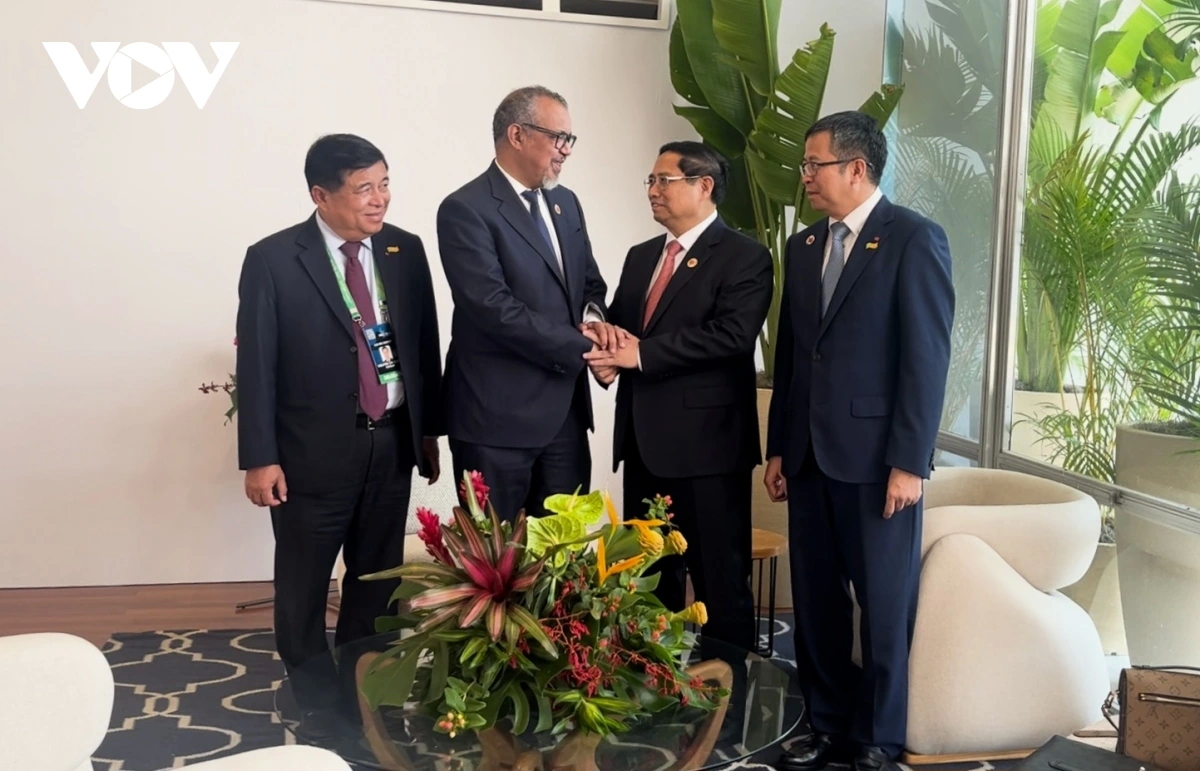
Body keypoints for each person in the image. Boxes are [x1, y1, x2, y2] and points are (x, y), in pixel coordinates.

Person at [764, 112, 954, 771]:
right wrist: (779, 447)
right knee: (816, 603)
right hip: (808, 457)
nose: (806, 177)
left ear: (857, 168)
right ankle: (825, 723)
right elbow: (793, 357)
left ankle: (877, 736)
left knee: (883, 605)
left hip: (878, 463)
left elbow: (926, 360)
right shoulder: (804, 246)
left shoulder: (913, 238)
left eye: (814, 164)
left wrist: (910, 460)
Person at [236, 133, 444, 676]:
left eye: (385, 184)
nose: (380, 199)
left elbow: (423, 346)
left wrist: (427, 431)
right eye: (363, 188)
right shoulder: (273, 260)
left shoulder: (404, 249)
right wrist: (260, 458)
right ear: (320, 195)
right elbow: (256, 365)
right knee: (303, 588)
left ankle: (365, 693)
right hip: (310, 455)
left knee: (377, 582)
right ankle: (315, 704)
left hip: (390, 445)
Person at [584, 141, 772, 652]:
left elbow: (732, 336)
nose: (653, 190)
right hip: (643, 447)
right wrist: (604, 349)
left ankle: (729, 695)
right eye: (650, 181)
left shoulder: (745, 256)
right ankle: (650, 688)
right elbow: (624, 330)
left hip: (708, 453)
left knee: (720, 587)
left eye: (663, 180)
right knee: (646, 584)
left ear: (703, 185)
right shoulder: (642, 256)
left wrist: (640, 355)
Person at [436, 86, 614, 521]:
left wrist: (595, 322)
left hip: (566, 420)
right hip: (495, 423)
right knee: (498, 557)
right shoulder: (465, 209)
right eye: (559, 137)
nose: (566, 150)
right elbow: (492, 308)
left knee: (564, 552)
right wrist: (587, 349)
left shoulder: (566, 203)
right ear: (517, 135)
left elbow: (589, 284)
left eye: (570, 139)